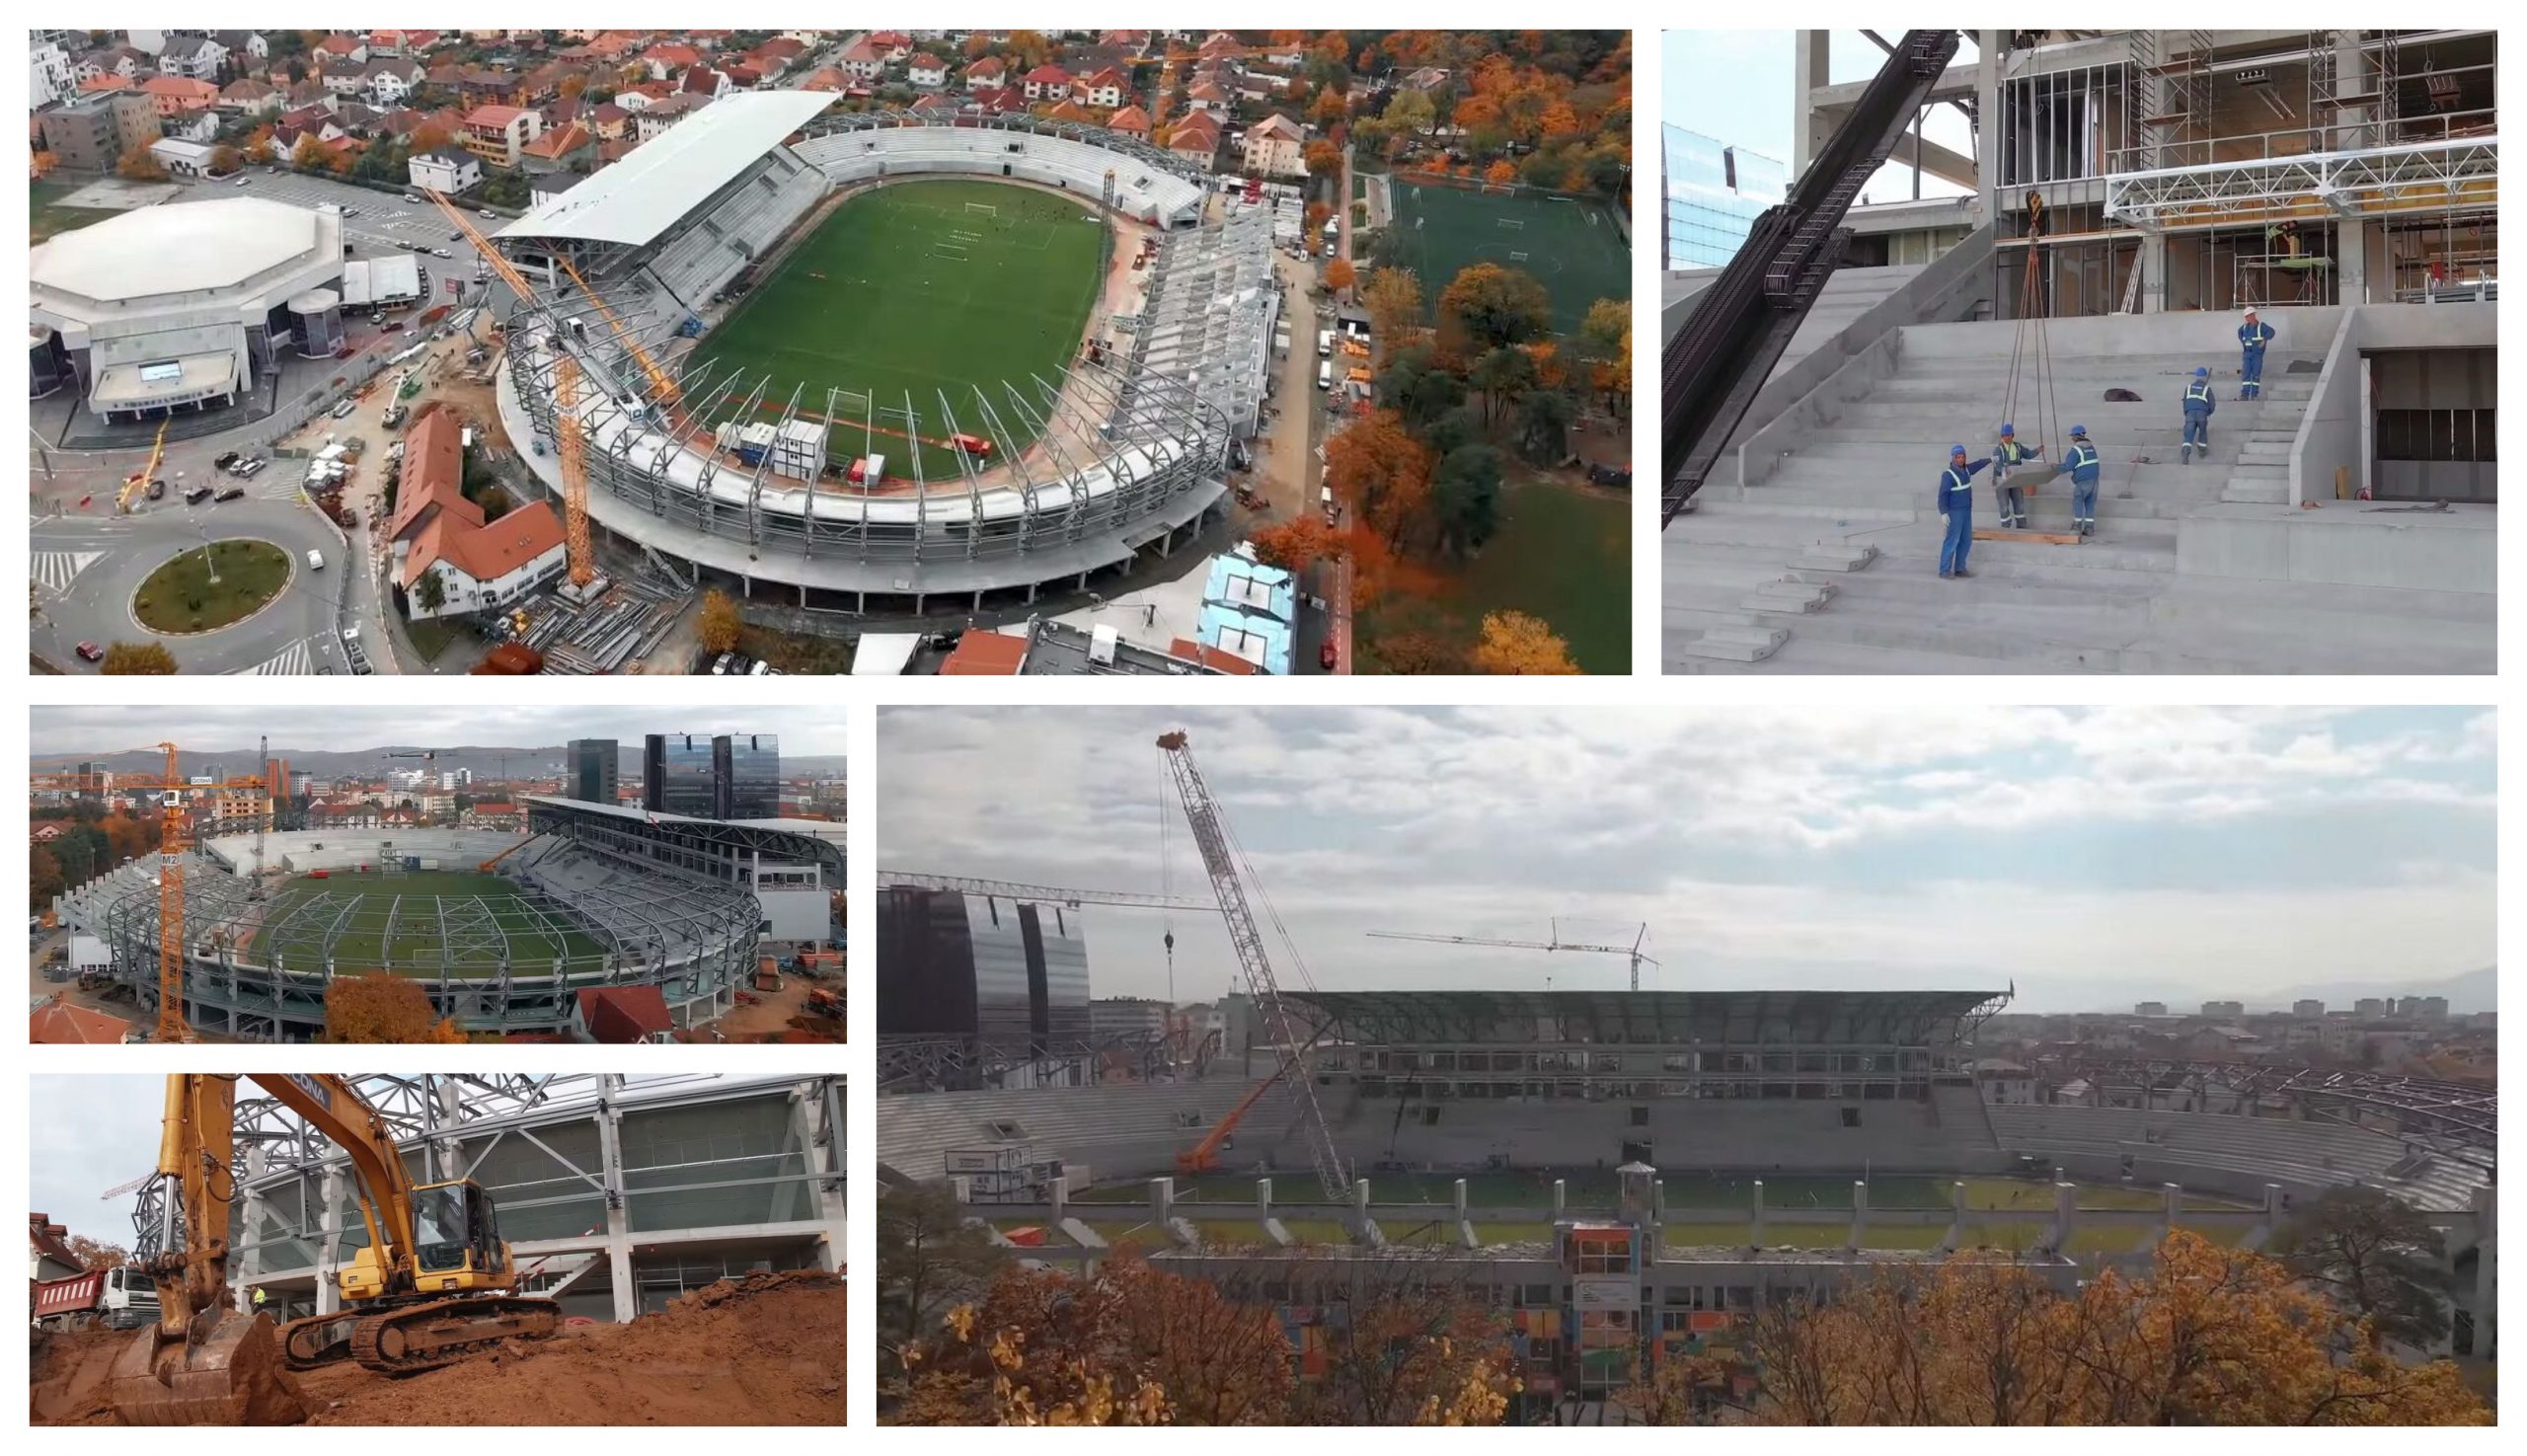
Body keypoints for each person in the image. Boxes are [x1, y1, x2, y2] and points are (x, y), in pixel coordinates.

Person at [1936, 444, 1990, 578]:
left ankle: (1960, 569)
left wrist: (1990, 460)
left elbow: (1977, 465)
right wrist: (1943, 512)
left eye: (1962, 457)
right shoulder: (1948, 475)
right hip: (1955, 512)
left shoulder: (1966, 470)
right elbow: (1942, 495)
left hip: (1966, 511)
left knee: (1966, 540)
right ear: (1953, 458)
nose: (1960, 459)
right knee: (1952, 540)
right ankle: (1944, 571)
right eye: (1958, 457)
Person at [1991, 422, 2042, 529]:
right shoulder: (1998, 450)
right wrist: (2004, 470)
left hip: (2015, 479)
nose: (2007, 438)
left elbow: (2027, 454)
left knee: (2019, 503)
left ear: (2012, 435)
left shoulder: (2017, 446)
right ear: (2002, 437)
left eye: (2009, 435)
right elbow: (1997, 465)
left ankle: (2021, 525)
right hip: (2002, 481)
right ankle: (2006, 526)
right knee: (2004, 505)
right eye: (2005, 436)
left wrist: (2037, 451)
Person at [2063, 425, 2103, 537]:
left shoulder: (2076, 449)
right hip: (2094, 480)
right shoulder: (2090, 447)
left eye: (2072, 436)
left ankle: (2076, 526)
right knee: (2090, 503)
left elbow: (2069, 466)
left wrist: (2056, 468)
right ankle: (2089, 529)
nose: (2072, 438)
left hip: (2084, 480)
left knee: (2078, 500)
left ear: (2076, 436)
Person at [2238, 307, 2277, 400]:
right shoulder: (2243, 327)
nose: (2248, 318)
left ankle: (2254, 394)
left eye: (2249, 316)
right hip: (2247, 354)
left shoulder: (2261, 326)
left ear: (2254, 315)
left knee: (2255, 374)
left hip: (2257, 355)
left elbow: (2271, 332)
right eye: (2246, 317)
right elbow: (2240, 335)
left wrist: (2264, 339)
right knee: (2246, 374)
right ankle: (2245, 394)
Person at [2181, 367, 2216, 464]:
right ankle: (2202, 451)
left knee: (2188, 434)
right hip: (2202, 413)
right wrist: (2207, 413)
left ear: (2196, 376)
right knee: (2203, 432)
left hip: (2190, 413)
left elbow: (2185, 402)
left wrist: (2186, 412)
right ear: (2204, 377)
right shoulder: (2207, 388)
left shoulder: (2188, 387)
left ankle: (2185, 452)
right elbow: (2212, 404)